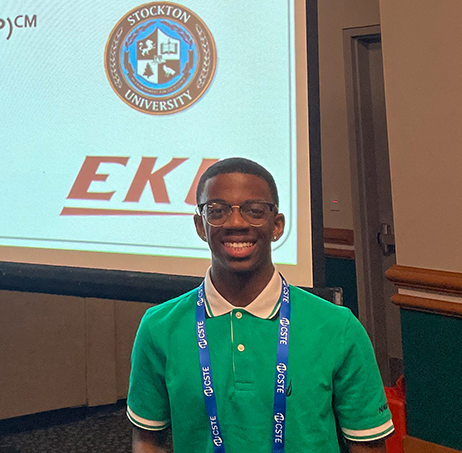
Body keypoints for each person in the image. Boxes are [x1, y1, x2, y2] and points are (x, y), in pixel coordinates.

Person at [127, 157, 393, 453]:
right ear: (201, 226)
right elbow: (147, 440)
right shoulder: (159, 327)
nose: (236, 223)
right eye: (217, 210)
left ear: (276, 225)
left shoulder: (338, 327)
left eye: (254, 211)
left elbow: (368, 447)